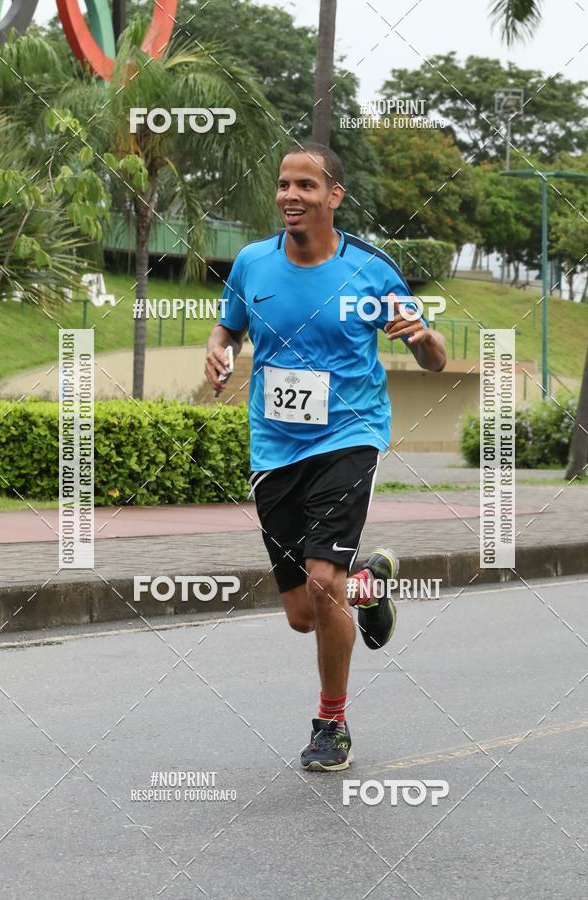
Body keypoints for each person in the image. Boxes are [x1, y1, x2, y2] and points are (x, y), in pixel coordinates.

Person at [205, 142, 447, 771]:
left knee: (320, 582)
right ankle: (366, 584)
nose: (291, 195)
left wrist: (421, 336)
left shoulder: (370, 270)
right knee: (302, 615)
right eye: (284, 184)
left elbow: (435, 357)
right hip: (275, 445)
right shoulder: (254, 263)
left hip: (349, 435)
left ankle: (331, 723)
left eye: (306, 186)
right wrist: (219, 348)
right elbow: (228, 325)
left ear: (334, 196)